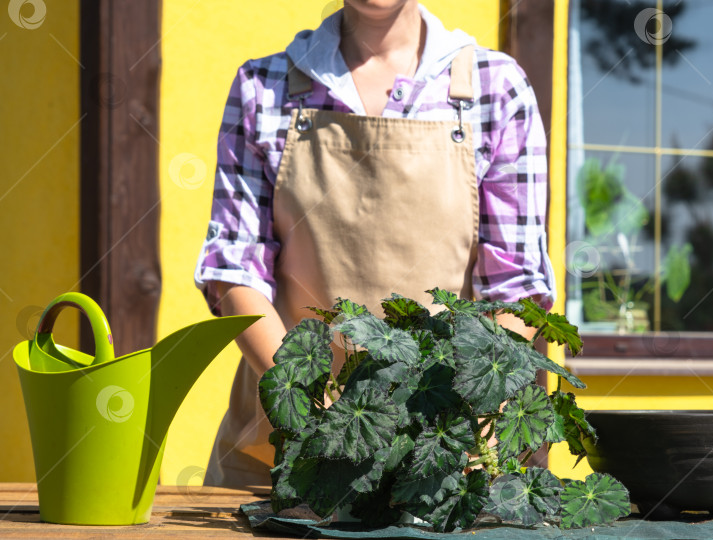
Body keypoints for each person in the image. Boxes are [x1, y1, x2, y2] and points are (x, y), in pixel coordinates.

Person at [194, 0, 555, 487]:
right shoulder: (266, 88)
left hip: (442, 452)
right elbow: (233, 270)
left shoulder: (494, 88)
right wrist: (316, 415)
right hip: (288, 447)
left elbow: (516, 285)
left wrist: (468, 428)